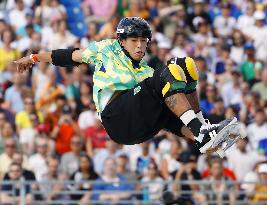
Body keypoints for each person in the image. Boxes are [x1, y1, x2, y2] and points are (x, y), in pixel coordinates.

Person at [14, 17, 235, 157]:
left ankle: (204, 134)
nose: (140, 46)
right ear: (122, 40)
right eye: (133, 40)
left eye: (143, 41)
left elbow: (171, 123)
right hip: (116, 117)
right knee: (171, 69)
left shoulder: (147, 72)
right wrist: (33, 58)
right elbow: (70, 56)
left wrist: (205, 141)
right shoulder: (106, 49)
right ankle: (202, 131)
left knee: (186, 67)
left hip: (139, 127)